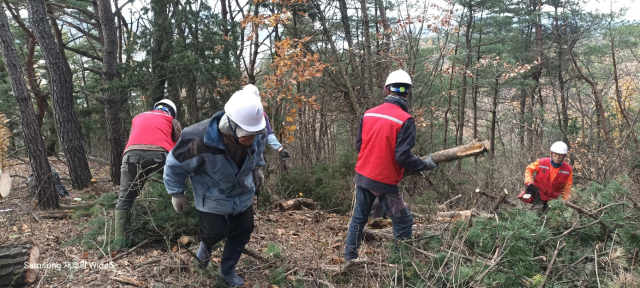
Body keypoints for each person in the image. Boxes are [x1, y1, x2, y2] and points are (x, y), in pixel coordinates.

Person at [163, 90, 266, 287]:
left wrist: (257, 168)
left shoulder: (255, 133)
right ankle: (204, 253)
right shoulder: (198, 139)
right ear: (232, 126)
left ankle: (227, 270)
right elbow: (175, 164)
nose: (252, 138)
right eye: (248, 134)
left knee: (244, 229)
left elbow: (258, 150)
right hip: (212, 195)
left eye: (255, 133)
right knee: (213, 232)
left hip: (242, 192)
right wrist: (177, 193)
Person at [344, 69, 438, 261]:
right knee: (403, 222)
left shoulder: (368, 114)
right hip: (385, 183)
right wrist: (424, 164)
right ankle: (400, 265)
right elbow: (403, 157)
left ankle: (350, 258)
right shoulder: (405, 120)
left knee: (359, 218)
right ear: (407, 93)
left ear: (387, 90)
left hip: (362, 176)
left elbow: (360, 146)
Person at [114, 99, 182, 247]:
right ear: (173, 112)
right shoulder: (171, 120)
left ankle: (118, 243)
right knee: (178, 186)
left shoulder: (138, 117)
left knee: (124, 198)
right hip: (160, 154)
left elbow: (135, 138)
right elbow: (179, 144)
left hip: (130, 155)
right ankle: (183, 222)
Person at [242, 84, 291, 161]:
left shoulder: (262, 115)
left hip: (256, 156)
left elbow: (268, 133)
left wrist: (280, 149)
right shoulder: (235, 114)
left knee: (257, 172)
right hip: (239, 156)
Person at [523, 141, 573, 216]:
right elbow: (529, 169)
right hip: (539, 195)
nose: (557, 157)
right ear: (551, 153)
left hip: (554, 199)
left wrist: (564, 201)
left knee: (552, 219)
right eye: (555, 154)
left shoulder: (568, 169)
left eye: (560, 155)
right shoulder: (541, 162)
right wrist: (528, 182)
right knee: (536, 214)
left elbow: (568, 187)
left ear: (564, 156)